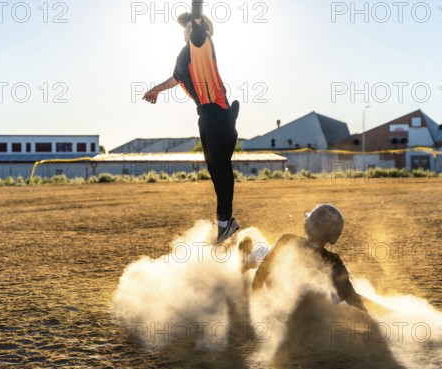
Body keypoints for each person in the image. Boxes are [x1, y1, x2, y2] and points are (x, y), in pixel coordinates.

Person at [143, 10, 240, 244]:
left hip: (218, 116)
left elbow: (197, 15)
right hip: (206, 117)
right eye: (184, 27)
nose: (186, 29)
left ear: (202, 30)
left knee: (221, 169)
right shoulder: (183, 55)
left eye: (191, 25)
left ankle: (225, 223)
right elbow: (175, 79)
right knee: (215, 171)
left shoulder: (201, 43)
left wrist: (196, 14)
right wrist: (155, 89)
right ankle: (227, 224)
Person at [241, 204, 380, 312]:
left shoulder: (288, 240)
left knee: (261, 253)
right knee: (338, 287)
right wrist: (386, 313)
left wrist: (254, 307)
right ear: (334, 236)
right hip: (303, 306)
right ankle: (244, 263)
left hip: (280, 299)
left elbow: (261, 273)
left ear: (309, 225)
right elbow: (352, 298)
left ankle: (243, 264)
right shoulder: (333, 260)